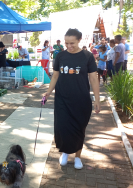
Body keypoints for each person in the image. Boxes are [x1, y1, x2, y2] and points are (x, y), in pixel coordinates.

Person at [42, 28, 100, 170]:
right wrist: (48, 92)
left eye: (72, 43)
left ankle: (78, 157)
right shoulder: (60, 56)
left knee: (79, 128)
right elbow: (55, 76)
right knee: (63, 127)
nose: (69, 46)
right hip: (62, 98)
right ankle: (66, 153)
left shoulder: (87, 56)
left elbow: (93, 78)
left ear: (79, 40)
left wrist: (97, 99)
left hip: (81, 99)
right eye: (66, 43)